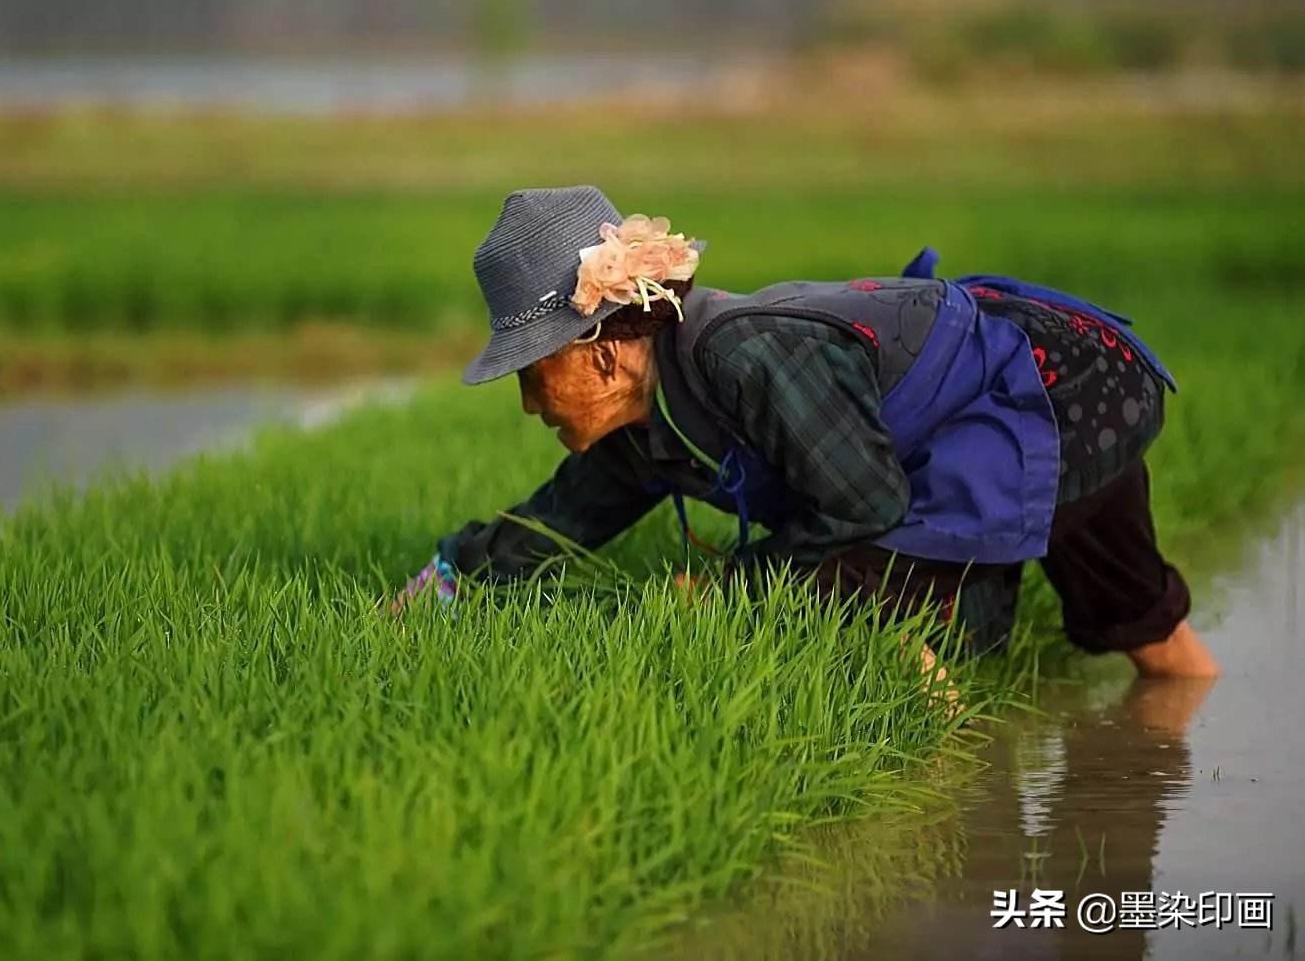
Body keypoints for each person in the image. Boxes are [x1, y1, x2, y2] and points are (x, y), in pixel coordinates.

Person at [397, 185, 1218, 679]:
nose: (529, 404)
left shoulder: (741, 358)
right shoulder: (649, 421)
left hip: (1061, 390)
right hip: (1043, 385)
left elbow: (863, 502)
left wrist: (726, 590)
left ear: (602, 352)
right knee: (1146, 625)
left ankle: (947, 799)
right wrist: (447, 581)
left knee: (856, 593)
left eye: (530, 371)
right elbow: (561, 520)